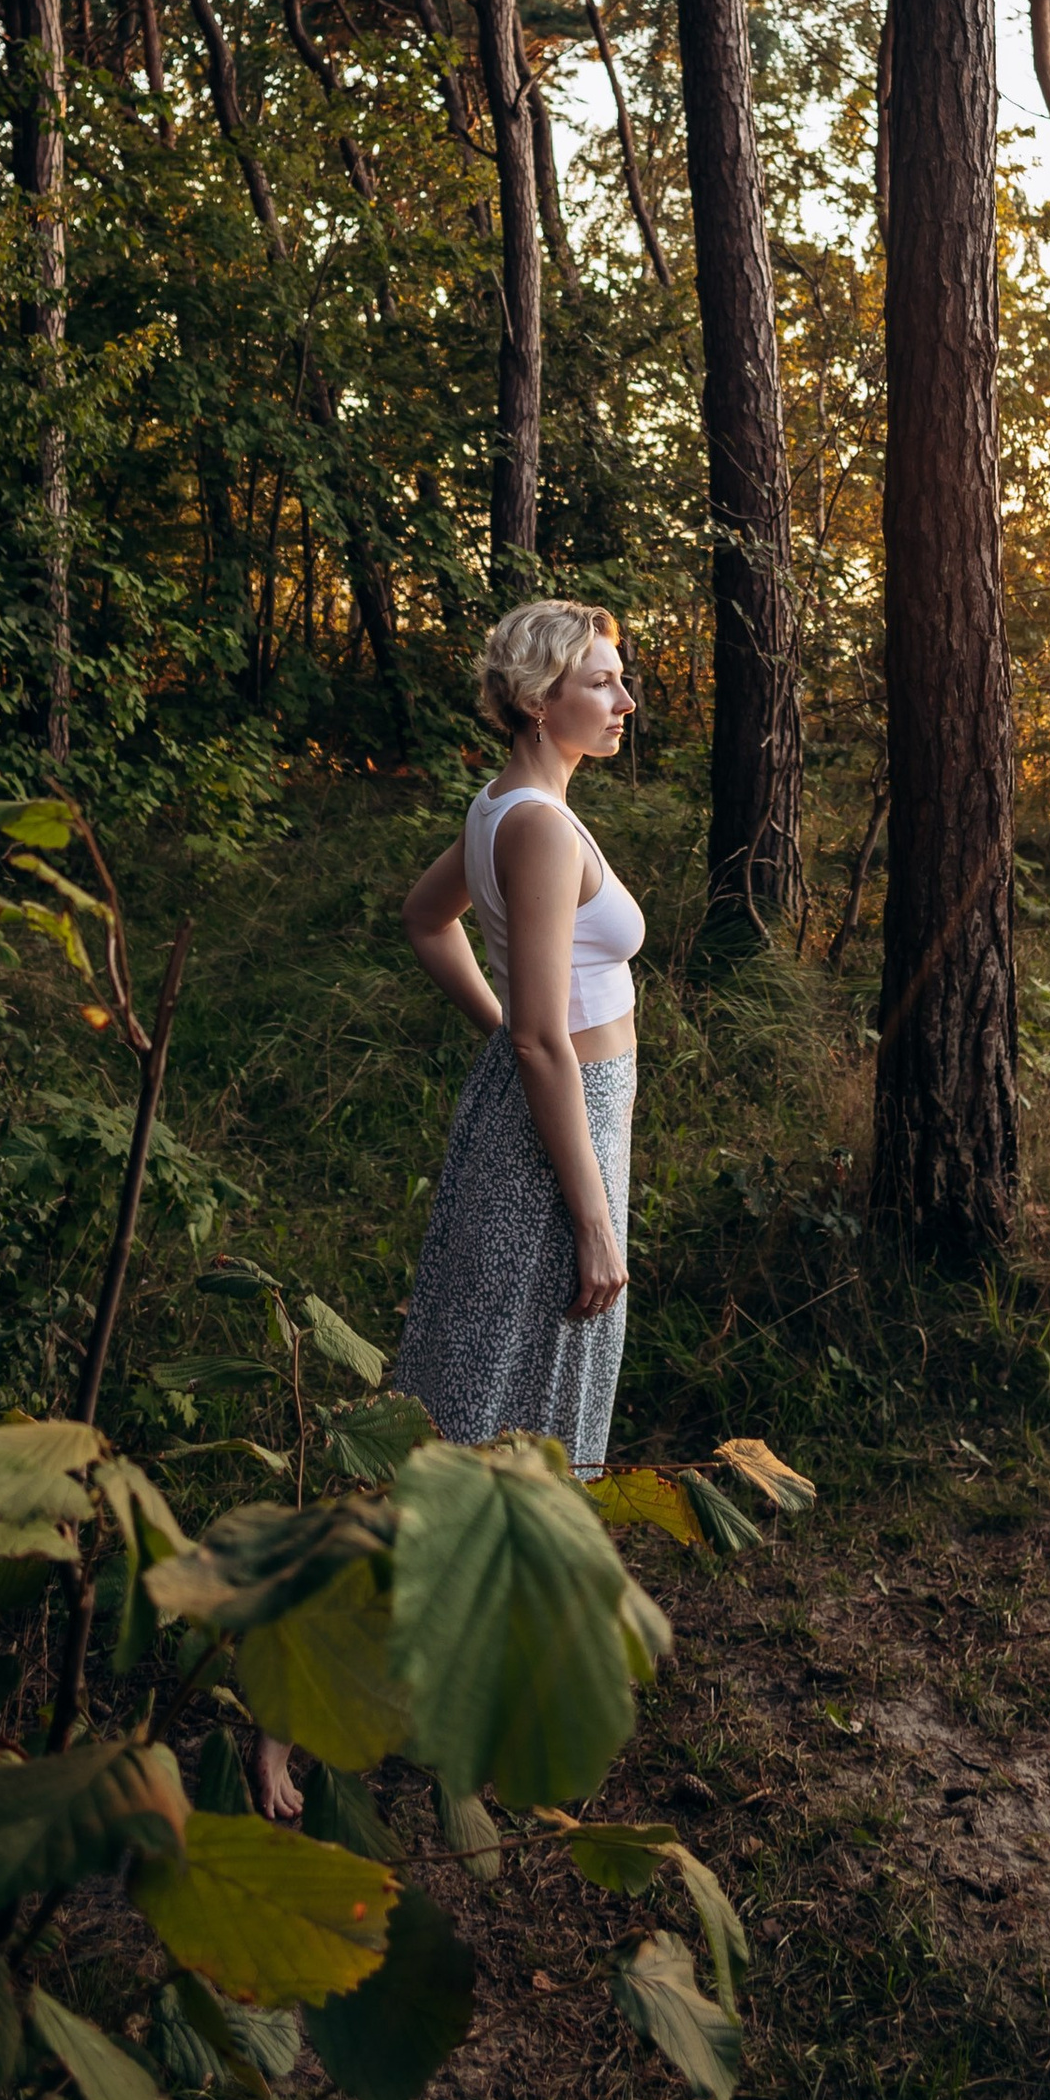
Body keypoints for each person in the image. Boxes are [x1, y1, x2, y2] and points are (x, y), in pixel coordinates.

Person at [392, 599, 644, 1476]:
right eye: (602, 682)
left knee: (508, 1355)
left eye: (621, 680)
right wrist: (594, 1221)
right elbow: (543, 1037)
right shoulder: (535, 824)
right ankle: (498, 1581)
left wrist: (508, 1033)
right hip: (555, 1125)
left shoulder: (506, 805)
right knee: (523, 1366)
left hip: (553, 1107)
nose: (625, 700)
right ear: (542, 698)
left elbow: (427, 921)